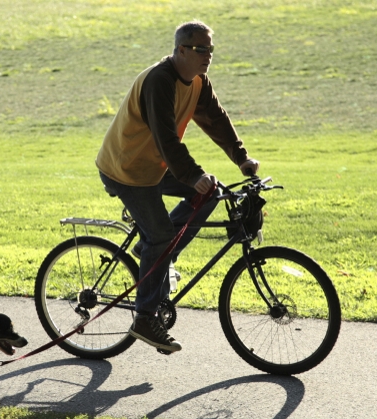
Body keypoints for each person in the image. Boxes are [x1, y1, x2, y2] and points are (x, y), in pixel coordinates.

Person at [95, 20, 260, 353]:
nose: (208, 56)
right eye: (201, 50)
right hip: (127, 168)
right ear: (181, 50)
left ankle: (154, 254)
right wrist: (192, 174)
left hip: (155, 166)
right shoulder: (160, 81)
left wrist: (240, 158)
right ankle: (144, 318)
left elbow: (216, 118)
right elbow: (166, 139)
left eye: (211, 50)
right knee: (162, 234)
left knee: (211, 192)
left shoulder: (197, 81)